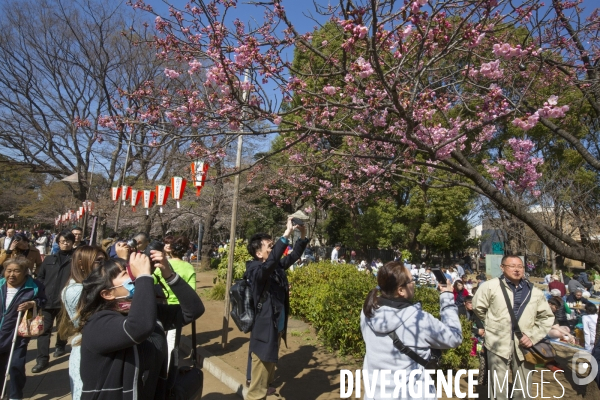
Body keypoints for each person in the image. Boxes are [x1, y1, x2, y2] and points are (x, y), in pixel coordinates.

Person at [78, 251, 204, 399]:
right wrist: (143, 277)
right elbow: (138, 328)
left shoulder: (147, 312)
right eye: (125, 273)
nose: (132, 275)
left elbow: (193, 310)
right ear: (107, 294)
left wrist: (169, 275)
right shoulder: (98, 323)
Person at [360, 261, 462, 399]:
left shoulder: (368, 311)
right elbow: (454, 337)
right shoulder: (419, 320)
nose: (414, 284)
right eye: (411, 281)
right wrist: (447, 298)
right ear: (401, 290)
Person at [473, 255, 554, 400]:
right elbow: (478, 308)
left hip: (524, 344)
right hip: (497, 342)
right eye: (512, 266)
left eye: (520, 266)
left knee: (523, 386)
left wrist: (533, 337)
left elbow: (546, 317)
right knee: (498, 387)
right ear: (502, 267)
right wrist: (494, 325)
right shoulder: (490, 286)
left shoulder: (534, 291)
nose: (516, 269)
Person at [245, 217, 309, 400]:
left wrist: (302, 235)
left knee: (270, 362)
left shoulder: (275, 267)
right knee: (259, 373)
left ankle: (266, 385)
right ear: (258, 254)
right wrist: (286, 234)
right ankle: (258, 390)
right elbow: (271, 263)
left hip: (276, 327)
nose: (273, 248)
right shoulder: (255, 269)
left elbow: (293, 256)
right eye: (270, 246)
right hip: (264, 329)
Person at [60, 246, 107, 400]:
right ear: (81, 264)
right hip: (86, 352)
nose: (104, 265)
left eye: (105, 261)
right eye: (98, 261)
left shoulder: (93, 285)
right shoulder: (75, 290)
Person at [0, 257, 47, 399]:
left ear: (25, 272)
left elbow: (43, 301)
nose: (11, 275)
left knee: (15, 365)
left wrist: (32, 303)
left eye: (16, 271)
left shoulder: (34, 286)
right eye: (8, 271)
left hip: (18, 334)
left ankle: (15, 395)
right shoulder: (1, 284)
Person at [32, 230, 76, 373]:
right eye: (62, 241)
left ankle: (60, 345)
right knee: (44, 331)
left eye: (68, 241)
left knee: (63, 327)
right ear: (58, 242)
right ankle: (42, 359)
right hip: (47, 300)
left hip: (64, 300)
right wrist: (41, 292)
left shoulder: (76, 259)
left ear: (72, 243)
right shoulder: (49, 259)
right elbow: (40, 277)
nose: (65, 243)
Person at [154, 236, 196, 367]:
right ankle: (168, 370)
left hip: (161, 306)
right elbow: (191, 291)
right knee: (172, 341)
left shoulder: (162, 265)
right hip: (178, 309)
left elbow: (152, 281)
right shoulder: (189, 267)